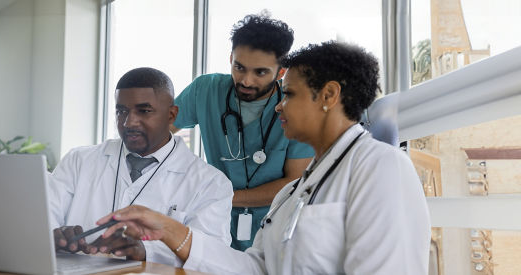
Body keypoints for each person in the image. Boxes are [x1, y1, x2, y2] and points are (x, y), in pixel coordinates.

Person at [95, 41, 431, 274]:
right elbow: (254, 268)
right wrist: (169, 230)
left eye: (290, 94)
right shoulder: (290, 194)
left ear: (328, 95)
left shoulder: (380, 167)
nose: (279, 105)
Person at [48, 67, 233, 267]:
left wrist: (147, 251)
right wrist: (54, 235)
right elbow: (42, 217)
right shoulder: (78, 161)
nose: (129, 122)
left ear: (172, 115)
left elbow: (214, 259)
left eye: (144, 111)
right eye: (121, 111)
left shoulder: (210, 183)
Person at [172, 13, 313, 250]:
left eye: (260, 72)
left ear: (280, 72)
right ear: (230, 58)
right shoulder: (205, 91)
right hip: (213, 225)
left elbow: (294, 181)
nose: (246, 81)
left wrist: (222, 197)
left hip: (274, 229)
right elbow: (157, 133)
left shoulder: (296, 108)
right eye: (239, 67)